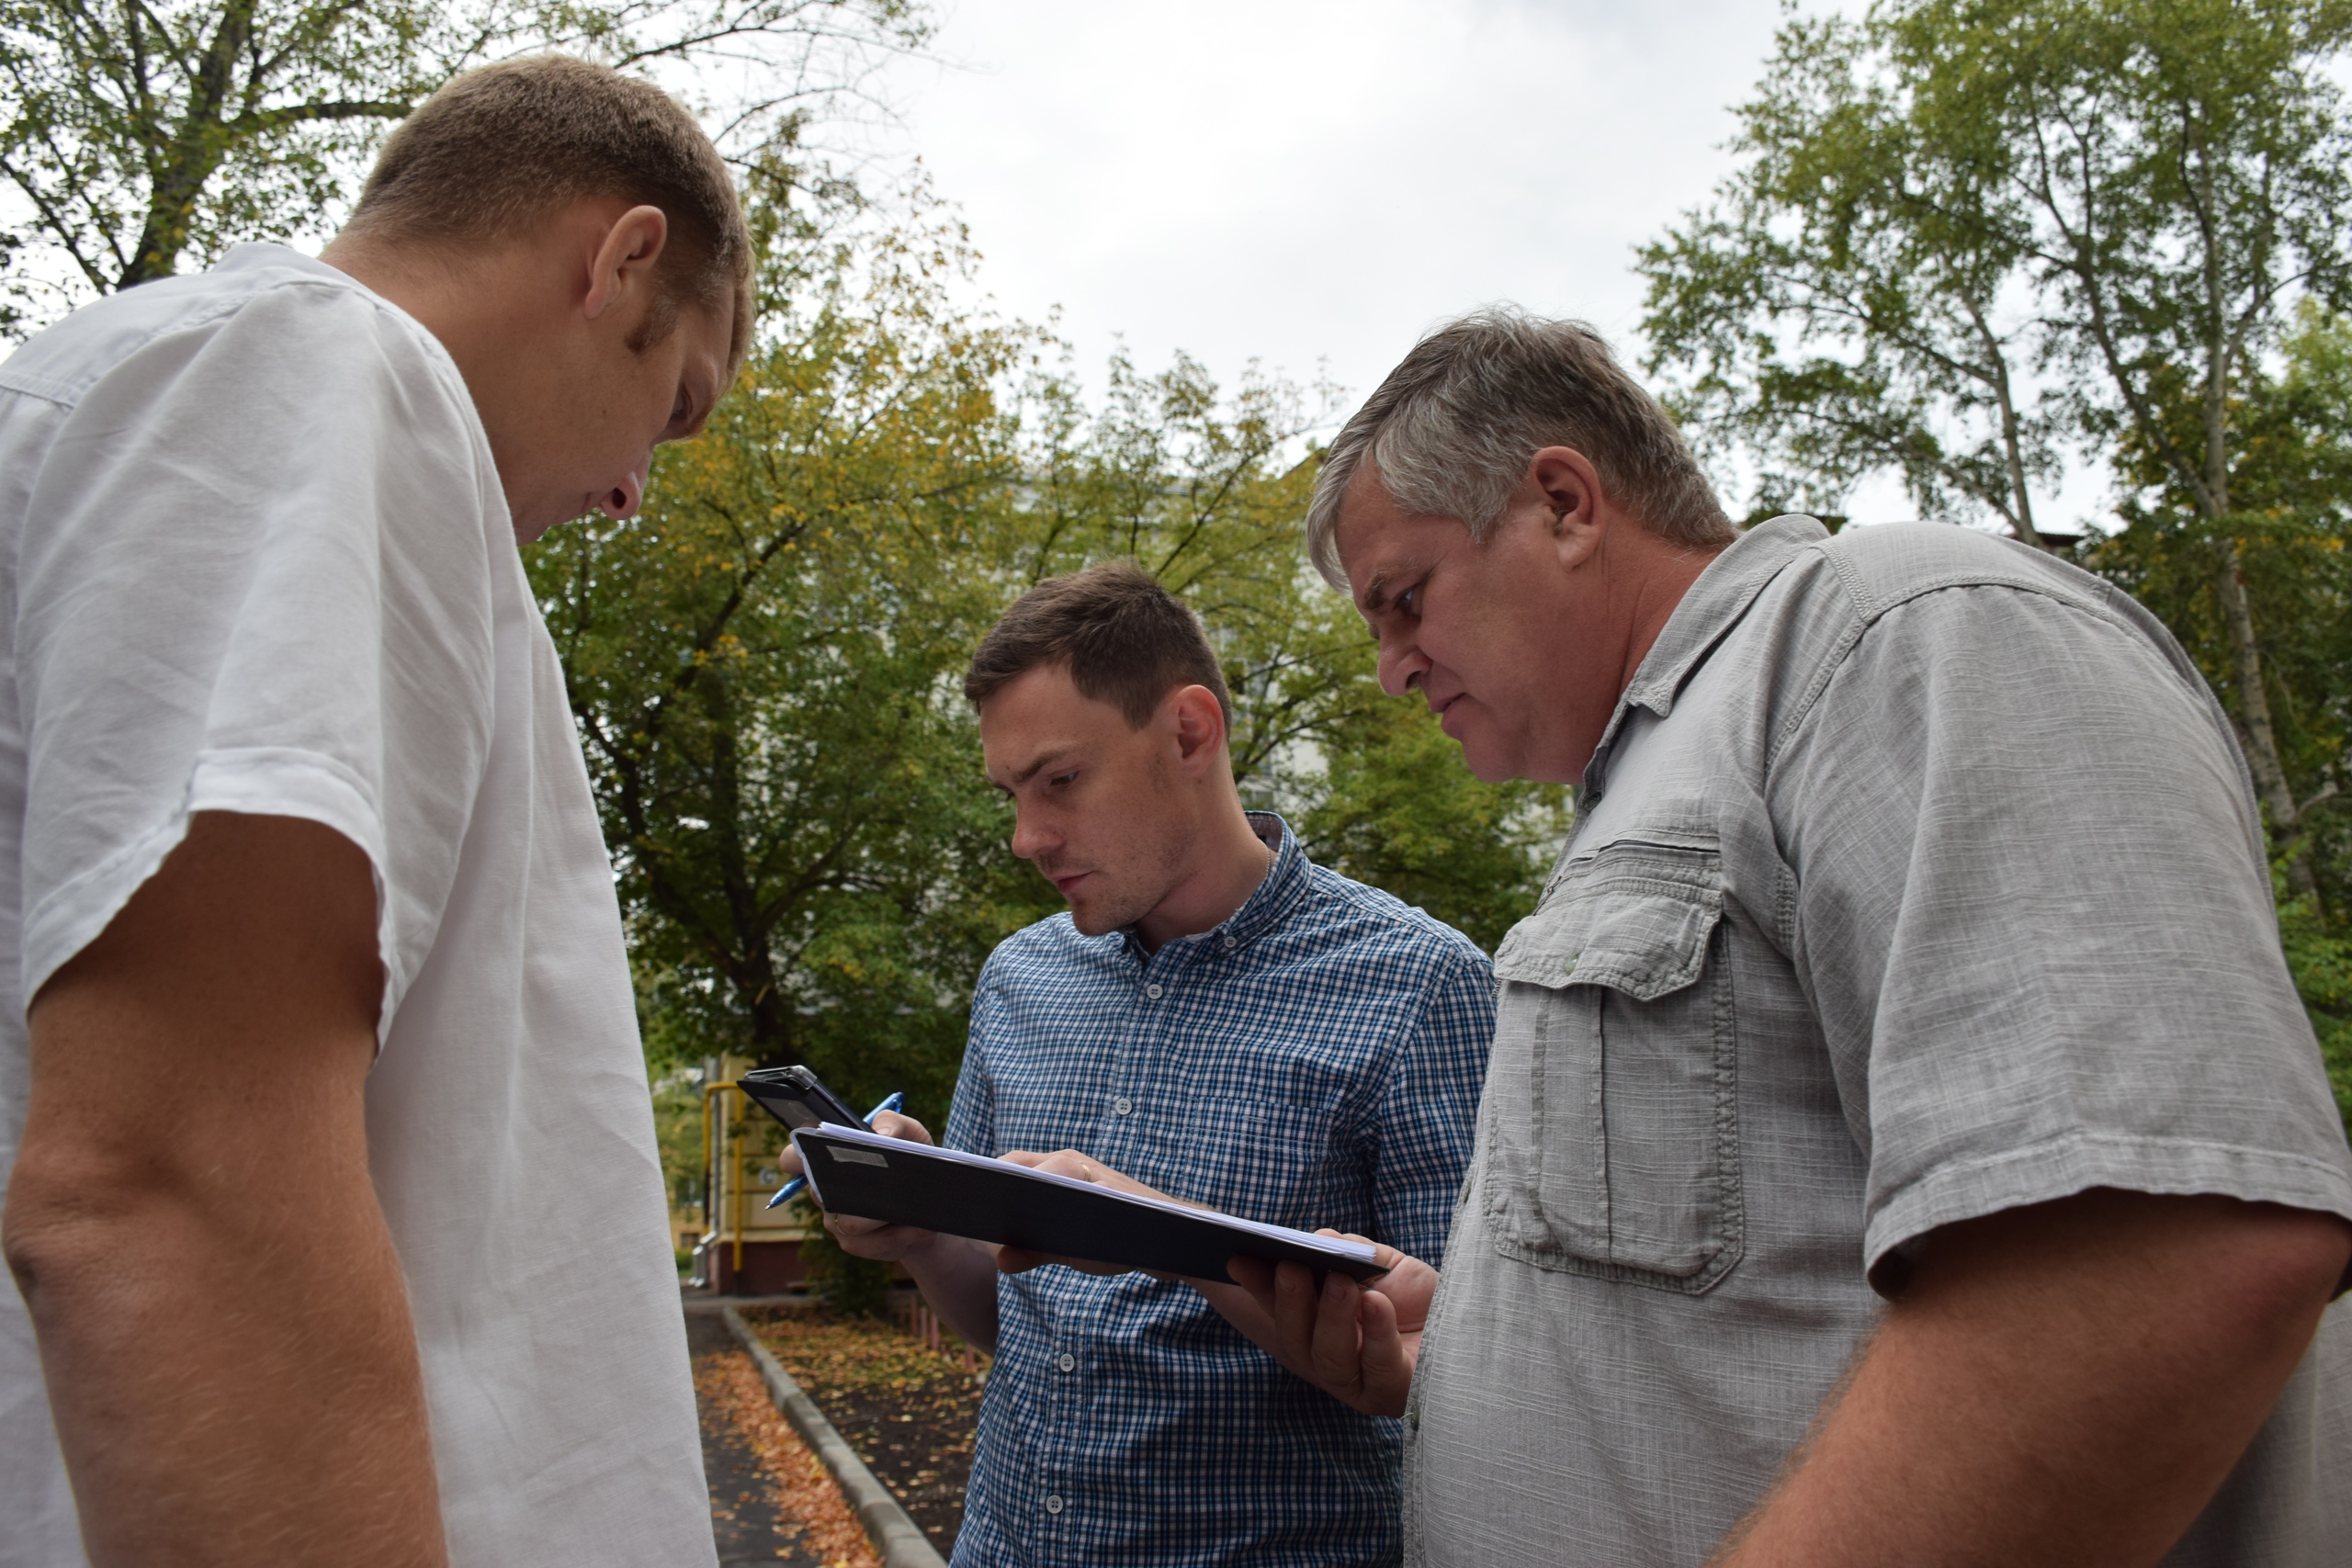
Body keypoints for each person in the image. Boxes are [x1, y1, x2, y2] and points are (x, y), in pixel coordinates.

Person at [1238, 309, 2352, 1567]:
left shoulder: (1900, 628)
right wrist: (1481, 1345)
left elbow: (2162, 1257)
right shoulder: (1655, 777)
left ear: (1563, 501)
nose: (1390, 668)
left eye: (1404, 598)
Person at [0, 57, 751, 1568]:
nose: (631, 497)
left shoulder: (151, 396)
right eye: (674, 408)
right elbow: (171, 1189)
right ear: (622, 263)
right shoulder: (320, 372)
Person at [783, 562, 1494, 1566]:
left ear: (1190, 732)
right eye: (1012, 795)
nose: (1029, 838)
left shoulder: (1422, 988)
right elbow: (1016, 1320)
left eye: (1061, 781)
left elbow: (1470, 1380)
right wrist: (912, 1229)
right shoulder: (1020, 976)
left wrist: (1165, 1235)